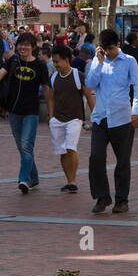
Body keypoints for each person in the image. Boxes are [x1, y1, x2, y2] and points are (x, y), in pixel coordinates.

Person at [0, 32, 54, 193]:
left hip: (31, 112)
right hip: (14, 111)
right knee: (22, 147)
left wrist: (51, 113)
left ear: (33, 47)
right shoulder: (13, 61)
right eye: (21, 44)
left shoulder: (40, 66)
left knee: (26, 146)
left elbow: (48, 91)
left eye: (27, 44)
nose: (23, 47)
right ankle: (33, 177)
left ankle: (24, 179)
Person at [84, 28, 138, 214]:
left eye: (110, 48)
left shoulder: (129, 61)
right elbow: (90, 84)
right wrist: (99, 64)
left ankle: (121, 200)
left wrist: (136, 111)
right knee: (96, 158)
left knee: (122, 162)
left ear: (118, 45)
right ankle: (102, 196)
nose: (108, 52)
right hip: (101, 117)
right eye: (104, 49)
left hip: (122, 118)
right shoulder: (98, 61)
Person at [49, 44, 93, 194]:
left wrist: (96, 117)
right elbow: (50, 98)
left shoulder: (78, 75)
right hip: (58, 119)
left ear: (66, 60)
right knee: (62, 151)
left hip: (75, 118)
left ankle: (73, 180)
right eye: (53, 62)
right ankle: (69, 180)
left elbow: (89, 96)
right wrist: (51, 117)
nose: (55, 65)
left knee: (70, 147)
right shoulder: (54, 77)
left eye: (57, 62)